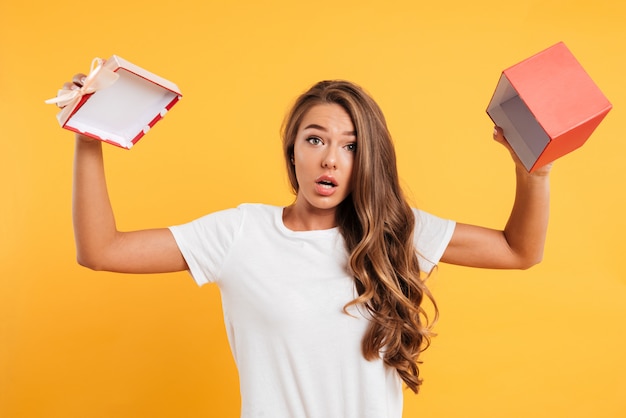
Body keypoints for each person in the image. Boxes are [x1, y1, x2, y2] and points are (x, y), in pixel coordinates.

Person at [64, 76, 550, 417]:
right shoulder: (240, 233)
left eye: (351, 145)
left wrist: (534, 171)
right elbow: (102, 250)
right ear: (292, 151)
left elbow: (518, 250)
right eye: (315, 140)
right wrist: (88, 135)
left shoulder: (393, 231)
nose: (331, 160)